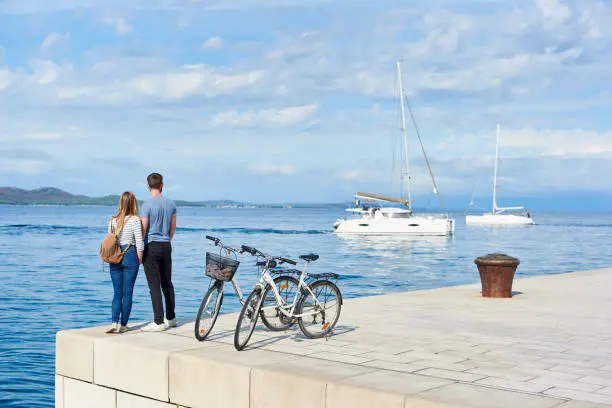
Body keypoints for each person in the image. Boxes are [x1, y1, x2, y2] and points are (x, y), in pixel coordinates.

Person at [140, 173, 177, 331]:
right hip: (166, 245)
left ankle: (158, 321)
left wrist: (140, 247)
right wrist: (167, 238)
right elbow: (173, 226)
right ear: (162, 185)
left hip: (152, 246)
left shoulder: (146, 205)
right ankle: (171, 317)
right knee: (167, 282)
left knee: (154, 284)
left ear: (148, 186)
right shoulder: (171, 204)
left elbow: (143, 229)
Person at [106, 192, 144, 334]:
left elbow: (110, 240)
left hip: (114, 256)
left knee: (117, 292)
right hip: (130, 255)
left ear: (120, 203)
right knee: (128, 293)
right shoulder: (135, 220)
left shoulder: (112, 220)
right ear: (133, 203)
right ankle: (123, 325)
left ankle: (114, 322)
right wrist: (139, 260)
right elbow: (139, 242)